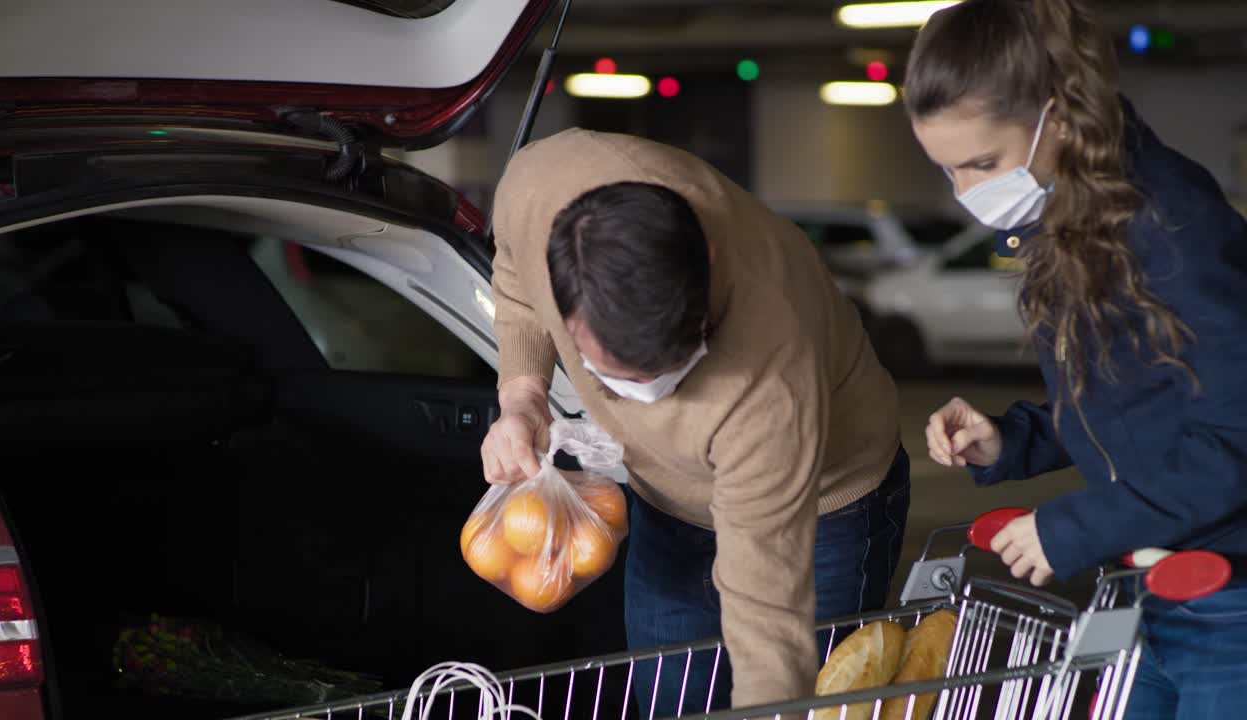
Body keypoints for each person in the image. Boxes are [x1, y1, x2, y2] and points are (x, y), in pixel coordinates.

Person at [481, 128, 909, 715]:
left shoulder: (768, 375)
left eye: (668, 371)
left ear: (705, 263)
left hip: (821, 503)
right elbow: (515, 284)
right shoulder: (537, 185)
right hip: (667, 501)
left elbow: (767, 613)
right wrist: (523, 396)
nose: (643, 402)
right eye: (609, 376)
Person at [906, 0, 1247, 717]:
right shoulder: (1077, 217)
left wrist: (1070, 529)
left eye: (983, 164)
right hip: (1148, 589)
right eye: (949, 172)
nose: (968, 195)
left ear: (1057, 118)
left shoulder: (1172, 226)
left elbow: (1234, 440)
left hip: (1229, 604)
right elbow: (1137, 402)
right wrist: (1013, 438)